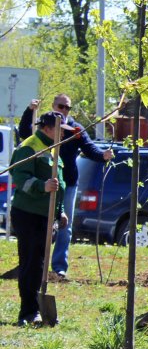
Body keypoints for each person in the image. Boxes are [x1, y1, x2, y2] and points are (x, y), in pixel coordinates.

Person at [18, 94, 114, 280]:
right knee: (39, 223)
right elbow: (25, 132)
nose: (63, 111)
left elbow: (89, 147)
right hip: (43, 184)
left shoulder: (75, 129)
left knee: (64, 225)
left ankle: (59, 267)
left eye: (67, 108)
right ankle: (38, 264)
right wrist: (29, 110)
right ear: (53, 106)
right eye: (60, 106)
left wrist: (103, 155)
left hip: (67, 184)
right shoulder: (44, 126)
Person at [9, 111, 68, 326]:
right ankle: (28, 312)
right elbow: (20, 178)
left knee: (40, 264)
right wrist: (41, 186)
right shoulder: (30, 146)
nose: (63, 135)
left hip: (46, 215)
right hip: (28, 215)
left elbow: (58, 183)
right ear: (48, 128)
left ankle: (37, 308)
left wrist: (59, 210)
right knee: (31, 264)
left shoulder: (53, 149)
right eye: (60, 130)